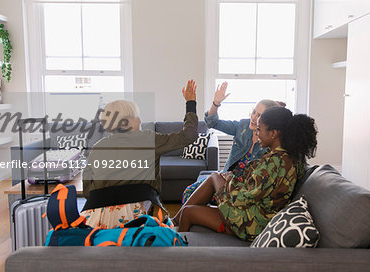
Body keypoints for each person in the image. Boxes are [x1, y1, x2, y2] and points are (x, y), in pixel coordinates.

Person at [174, 106, 317, 241]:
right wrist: (230, 179)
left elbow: (240, 198)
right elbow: (256, 189)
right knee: (214, 178)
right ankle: (171, 222)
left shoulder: (274, 163)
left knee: (191, 209)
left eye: (259, 130)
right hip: (257, 213)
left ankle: (174, 247)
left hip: (252, 224)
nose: (257, 133)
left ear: (273, 133)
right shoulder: (290, 157)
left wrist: (226, 182)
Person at [81, 79, 198, 229]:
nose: (140, 119)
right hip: (134, 216)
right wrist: (191, 103)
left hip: (95, 217)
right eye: (137, 116)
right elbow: (188, 136)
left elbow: (87, 188)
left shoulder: (98, 147)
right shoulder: (147, 140)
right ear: (126, 121)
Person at [181, 81, 281, 204]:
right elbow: (212, 122)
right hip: (225, 178)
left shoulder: (270, 142)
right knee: (189, 192)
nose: (254, 118)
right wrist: (216, 103)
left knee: (202, 198)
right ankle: (178, 222)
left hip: (242, 188)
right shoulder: (243, 126)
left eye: (259, 115)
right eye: (254, 112)